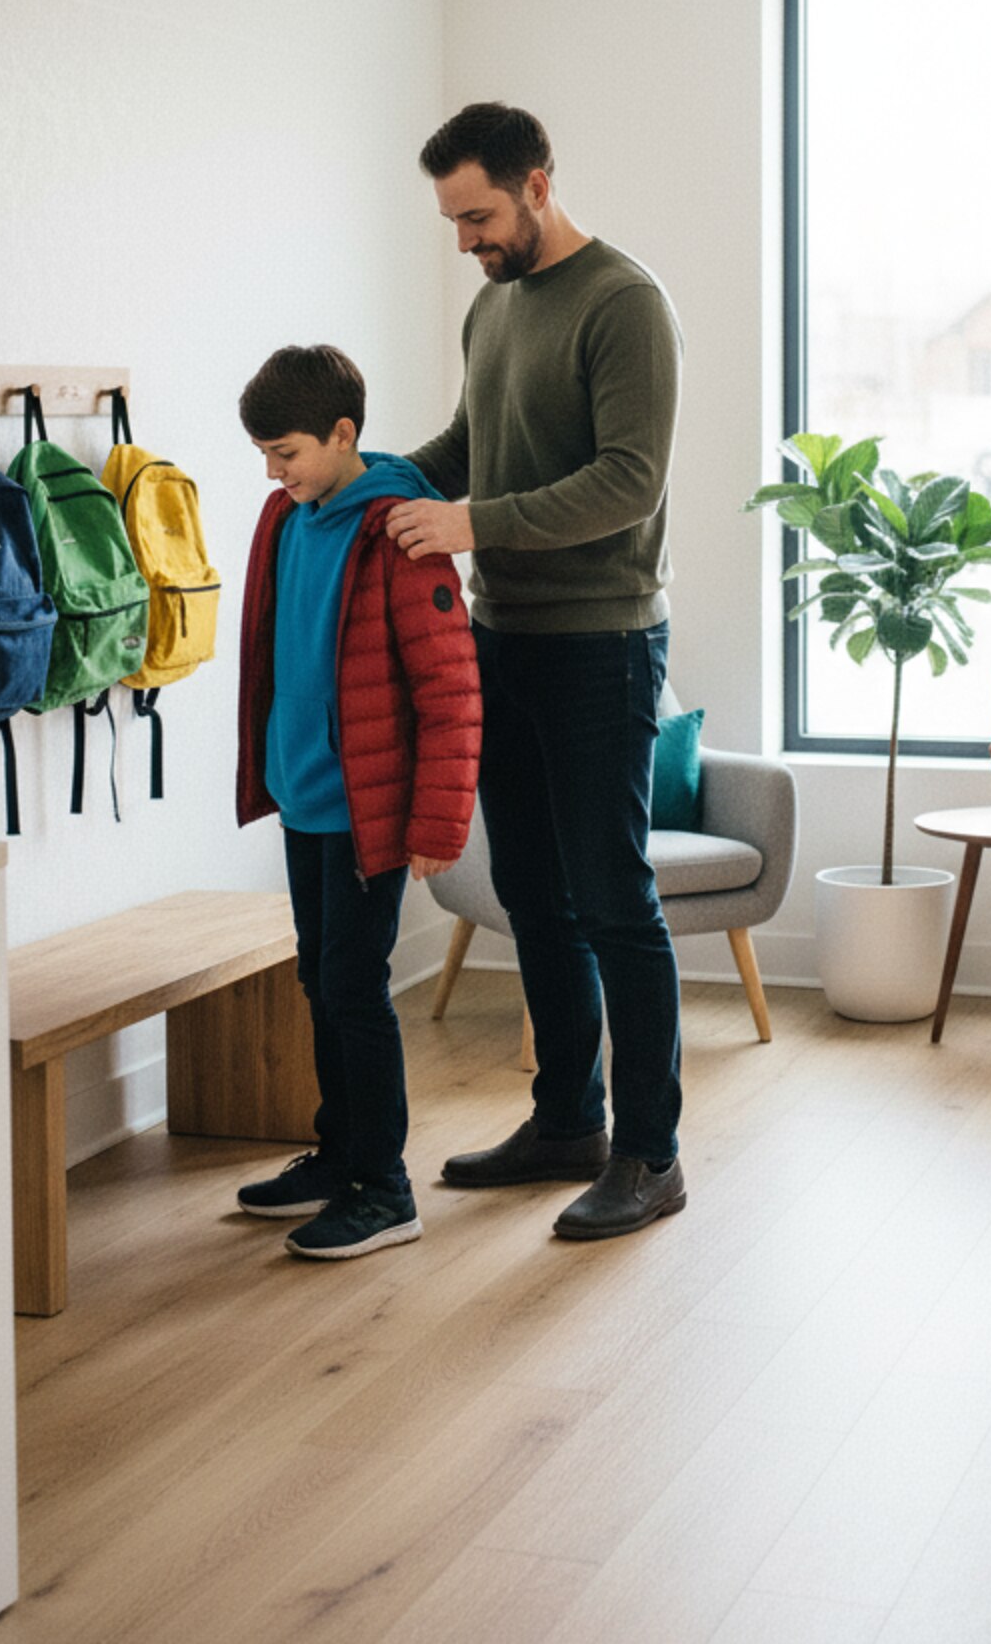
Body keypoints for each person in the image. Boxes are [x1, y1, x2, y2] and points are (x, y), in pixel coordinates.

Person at [387, 102, 687, 1242]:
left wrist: (466, 524)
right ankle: (567, 1117)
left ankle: (650, 1153)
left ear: (537, 185)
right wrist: (365, 480)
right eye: (453, 221)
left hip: (601, 640)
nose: (466, 239)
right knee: (529, 893)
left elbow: (627, 480)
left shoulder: (622, 303)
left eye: (478, 214)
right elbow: (468, 446)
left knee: (614, 898)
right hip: (499, 633)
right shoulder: (492, 306)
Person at [232, 345, 481, 1260]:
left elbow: (453, 687)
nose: (273, 470)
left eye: (286, 451)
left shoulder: (400, 530)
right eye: (263, 453)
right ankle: (339, 1154)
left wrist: (439, 821)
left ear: (343, 435)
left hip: (370, 805)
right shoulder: (286, 518)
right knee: (318, 977)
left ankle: (386, 1188)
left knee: (353, 985)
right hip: (304, 794)